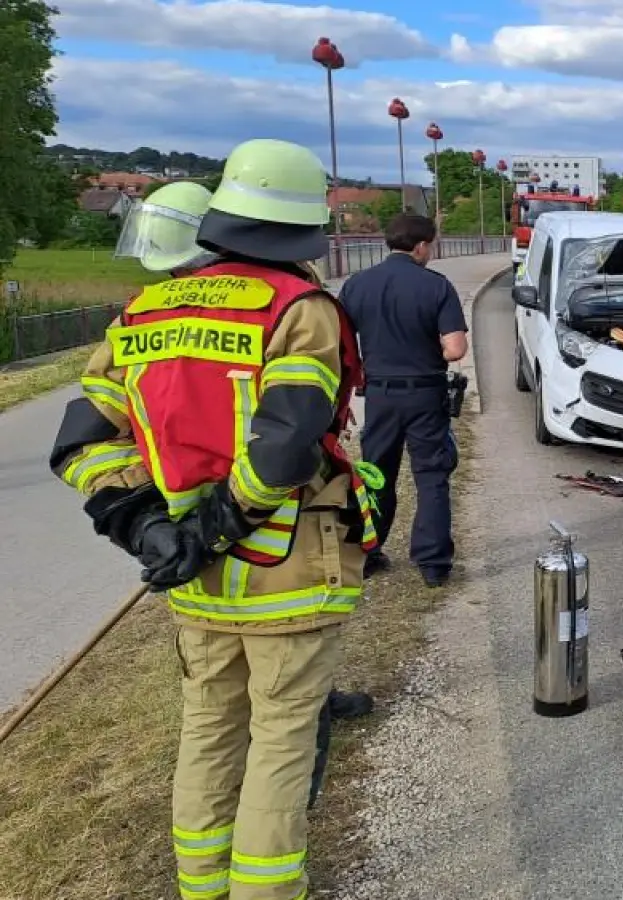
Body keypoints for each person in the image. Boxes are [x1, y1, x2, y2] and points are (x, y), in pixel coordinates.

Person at [49, 137, 382, 900]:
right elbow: (289, 441)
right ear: (305, 227)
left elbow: (80, 442)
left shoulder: (143, 313)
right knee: (281, 739)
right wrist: (219, 524)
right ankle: (267, 892)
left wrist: (146, 527)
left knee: (207, 730)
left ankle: (200, 887)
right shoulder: (298, 310)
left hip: (195, 583)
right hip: (285, 570)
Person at [338, 212, 468, 586]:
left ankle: (368, 552)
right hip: (425, 394)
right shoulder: (436, 286)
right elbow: (455, 349)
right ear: (422, 245)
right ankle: (432, 564)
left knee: (376, 474)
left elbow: (342, 344)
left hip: (378, 394)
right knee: (431, 476)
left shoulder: (356, 285)